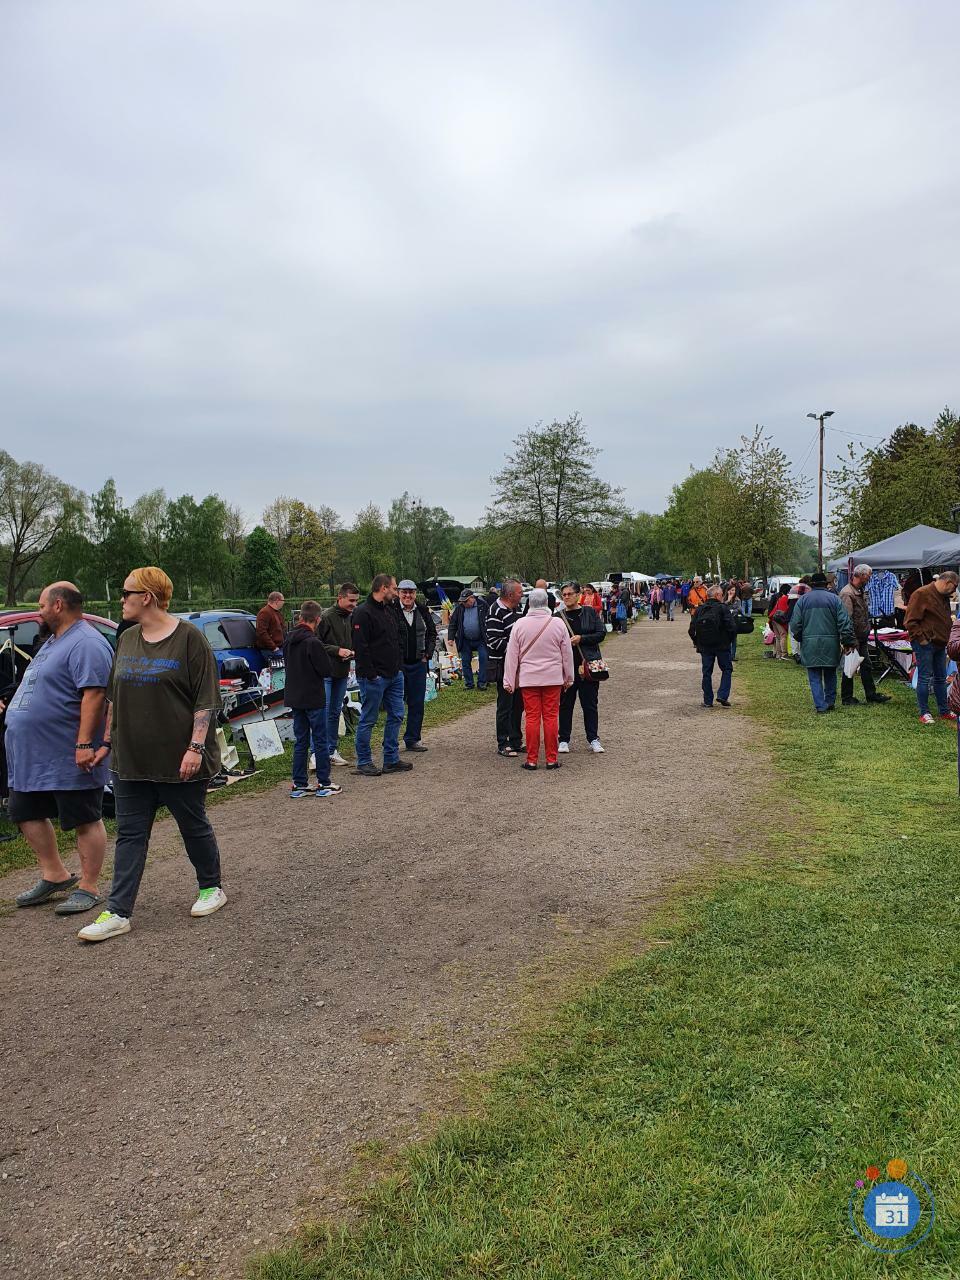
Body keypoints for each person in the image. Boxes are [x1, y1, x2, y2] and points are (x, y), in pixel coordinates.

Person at [78, 567, 226, 943]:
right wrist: (107, 744)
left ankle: (212, 887)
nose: (121, 599)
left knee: (192, 826)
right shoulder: (126, 638)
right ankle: (118, 911)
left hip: (180, 760)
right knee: (129, 835)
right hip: (131, 761)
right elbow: (115, 697)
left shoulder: (189, 639)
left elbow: (206, 701)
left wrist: (195, 748)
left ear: (147, 596)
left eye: (126, 592)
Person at [4, 582, 112, 915]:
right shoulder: (53, 642)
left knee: (84, 815)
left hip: (67, 752)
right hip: (32, 756)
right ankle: (55, 875)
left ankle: (90, 887)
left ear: (59, 605)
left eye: (41, 605)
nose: (38, 611)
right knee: (24, 810)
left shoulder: (87, 642)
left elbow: (95, 695)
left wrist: (83, 743)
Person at [503, 589, 573, 770]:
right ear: (547, 603)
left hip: (529, 679)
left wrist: (509, 680)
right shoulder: (557, 623)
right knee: (551, 717)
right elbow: (567, 654)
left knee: (532, 718)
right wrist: (568, 676)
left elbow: (512, 655)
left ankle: (532, 760)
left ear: (529, 603)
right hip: (553, 678)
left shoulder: (520, 624)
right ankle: (551, 759)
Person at [351, 574, 410, 776]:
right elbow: (361, 646)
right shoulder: (362, 612)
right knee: (369, 718)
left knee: (397, 715)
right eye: (394, 589)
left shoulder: (388, 610)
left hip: (394, 673)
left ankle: (391, 759)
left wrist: (399, 666)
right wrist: (371, 674)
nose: (396, 593)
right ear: (383, 588)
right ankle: (364, 761)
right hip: (374, 677)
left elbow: (395, 638)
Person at [283, 600, 342, 799]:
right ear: (317, 620)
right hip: (313, 697)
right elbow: (325, 670)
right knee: (320, 740)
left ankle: (299, 783)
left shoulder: (288, 640)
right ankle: (324, 783)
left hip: (294, 697)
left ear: (300, 617)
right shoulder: (313, 642)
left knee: (301, 741)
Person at [788, 572, 856, 714]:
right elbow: (844, 622)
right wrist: (847, 640)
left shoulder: (803, 600)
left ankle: (820, 705)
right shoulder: (835, 599)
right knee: (830, 672)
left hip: (810, 642)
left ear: (811, 585)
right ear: (826, 584)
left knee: (814, 676)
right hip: (831, 643)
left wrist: (801, 636)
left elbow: (794, 624)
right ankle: (830, 701)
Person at [904, 570, 959, 726]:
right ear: (948, 582)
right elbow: (910, 621)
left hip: (940, 643)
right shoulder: (922, 593)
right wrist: (922, 640)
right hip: (925, 644)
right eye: (954, 587)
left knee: (941, 678)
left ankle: (944, 710)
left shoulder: (943, 596)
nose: (954, 591)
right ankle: (924, 712)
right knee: (924, 677)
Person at [557, 581, 606, 753]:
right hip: (567, 668)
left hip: (589, 665)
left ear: (578, 595)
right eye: (564, 595)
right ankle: (563, 739)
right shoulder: (558, 617)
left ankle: (593, 738)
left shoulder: (590, 612)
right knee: (565, 704)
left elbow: (601, 633)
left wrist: (582, 639)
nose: (567, 597)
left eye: (570, 594)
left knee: (590, 704)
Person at [319, 582, 359, 768]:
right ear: (340, 597)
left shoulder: (352, 617)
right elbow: (316, 644)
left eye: (356, 601)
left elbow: (354, 640)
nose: (354, 604)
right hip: (327, 671)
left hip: (343, 672)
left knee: (335, 712)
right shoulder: (326, 617)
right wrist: (337, 650)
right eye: (351, 600)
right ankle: (319, 752)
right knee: (324, 711)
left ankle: (332, 750)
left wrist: (354, 651)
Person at [484, 577, 525, 757]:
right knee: (505, 704)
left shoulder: (517, 609)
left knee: (519, 704)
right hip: (502, 664)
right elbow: (494, 641)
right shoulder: (495, 611)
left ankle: (516, 739)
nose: (522, 595)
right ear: (510, 594)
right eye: (519, 592)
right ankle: (503, 742)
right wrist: (517, 648)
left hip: (519, 665)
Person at [839, 565, 891, 707]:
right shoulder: (847, 593)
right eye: (868, 575)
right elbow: (846, 618)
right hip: (853, 637)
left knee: (866, 665)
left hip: (861, 636)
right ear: (860, 575)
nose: (870, 578)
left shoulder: (859, 591)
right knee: (850, 666)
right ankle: (847, 697)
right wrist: (849, 640)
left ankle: (871, 694)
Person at [395, 580, 437, 753]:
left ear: (415, 594)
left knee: (417, 703)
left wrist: (427, 654)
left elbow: (432, 633)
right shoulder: (392, 611)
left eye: (411, 592)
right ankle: (390, 742)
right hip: (398, 665)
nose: (407, 596)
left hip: (418, 664)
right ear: (398, 593)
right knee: (395, 705)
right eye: (404, 592)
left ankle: (412, 739)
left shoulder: (422, 610)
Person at [689, 584, 737, 708]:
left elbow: (691, 630)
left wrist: (697, 642)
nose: (722, 596)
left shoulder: (700, 609)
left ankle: (707, 700)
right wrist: (729, 641)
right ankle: (722, 695)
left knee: (706, 672)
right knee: (727, 669)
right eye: (721, 594)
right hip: (722, 645)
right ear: (717, 595)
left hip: (705, 646)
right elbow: (732, 627)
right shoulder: (722, 608)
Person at [448, 588, 489, 689]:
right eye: (462, 601)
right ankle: (469, 683)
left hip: (481, 639)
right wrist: (450, 638)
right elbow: (453, 623)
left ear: (472, 598)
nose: (464, 603)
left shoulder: (482, 605)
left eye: (465, 601)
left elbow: (490, 619)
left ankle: (482, 682)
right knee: (465, 661)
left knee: (484, 659)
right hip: (465, 639)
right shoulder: (459, 608)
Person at [255, 591, 285, 657]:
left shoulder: (276, 612)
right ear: (277, 601)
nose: (283, 602)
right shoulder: (265, 612)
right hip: (270, 650)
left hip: (280, 648)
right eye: (283, 600)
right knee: (285, 665)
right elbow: (261, 632)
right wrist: (273, 647)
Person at [768, 584, 791, 660]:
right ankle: (784, 654)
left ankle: (778, 654)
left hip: (774, 619)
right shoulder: (787, 599)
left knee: (778, 637)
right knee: (783, 635)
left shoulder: (780, 598)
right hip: (779, 619)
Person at [723, 582, 742, 661]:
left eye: (733, 590)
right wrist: (728, 600)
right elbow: (722, 607)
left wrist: (732, 611)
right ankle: (726, 655)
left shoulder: (737, 600)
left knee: (734, 639)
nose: (732, 592)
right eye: (731, 590)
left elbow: (739, 609)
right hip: (725, 621)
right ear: (727, 591)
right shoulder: (724, 599)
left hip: (734, 621)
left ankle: (732, 655)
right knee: (726, 639)